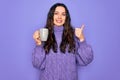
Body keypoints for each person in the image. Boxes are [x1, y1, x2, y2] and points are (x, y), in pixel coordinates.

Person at [32, 3, 93, 80]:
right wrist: (38, 44)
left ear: (66, 17)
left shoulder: (73, 35)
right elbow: (37, 64)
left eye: (63, 14)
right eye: (56, 13)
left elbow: (86, 60)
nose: (59, 17)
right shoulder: (44, 34)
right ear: (51, 16)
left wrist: (82, 39)